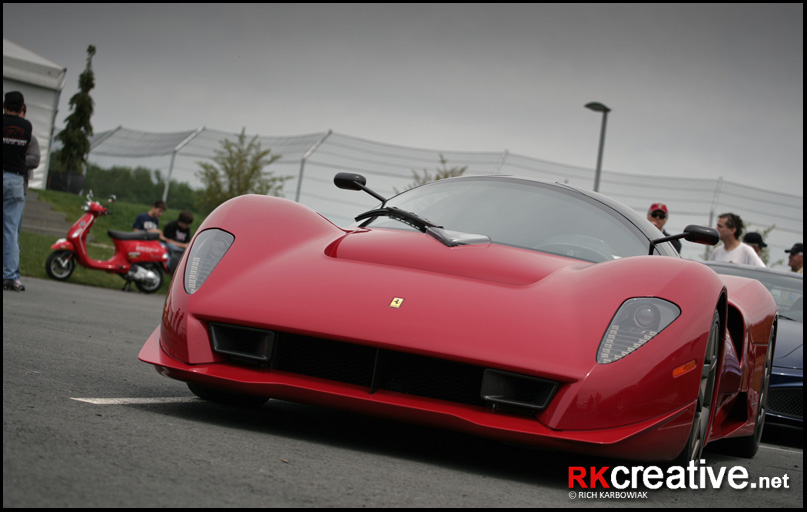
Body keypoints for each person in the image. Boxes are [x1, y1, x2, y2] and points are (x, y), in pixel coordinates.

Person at [4, 91, 33, 292]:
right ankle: (11, 275)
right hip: (15, 179)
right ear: (22, 107)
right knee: (11, 230)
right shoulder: (27, 126)